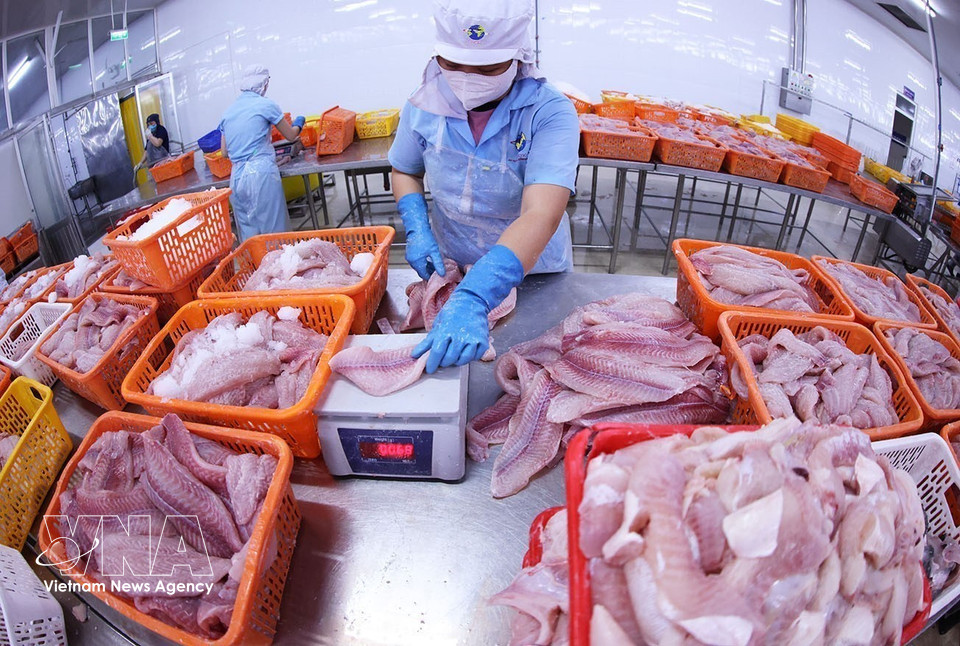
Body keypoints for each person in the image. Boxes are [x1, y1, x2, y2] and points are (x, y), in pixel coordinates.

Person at [389, 0, 579, 374]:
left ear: (517, 57)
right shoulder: (423, 102)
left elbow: (542, 212)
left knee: (541, 365)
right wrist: (416, 225)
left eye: (488, 68)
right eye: (453, 65)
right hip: (452, 261)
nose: (466, 78)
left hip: (532, 270)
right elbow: (404, 169)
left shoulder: (550, 111)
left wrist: (476, 296)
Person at [219, 65, 306, 241]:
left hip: (236, 177)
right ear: (264, 84)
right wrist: (299, 123)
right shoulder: (266, 105)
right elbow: (290, 135)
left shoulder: (228, 112)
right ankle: (279, 266)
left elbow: (224, 152)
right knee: (274, 231)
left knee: (249, 233)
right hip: (260, 175)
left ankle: (256, 266)